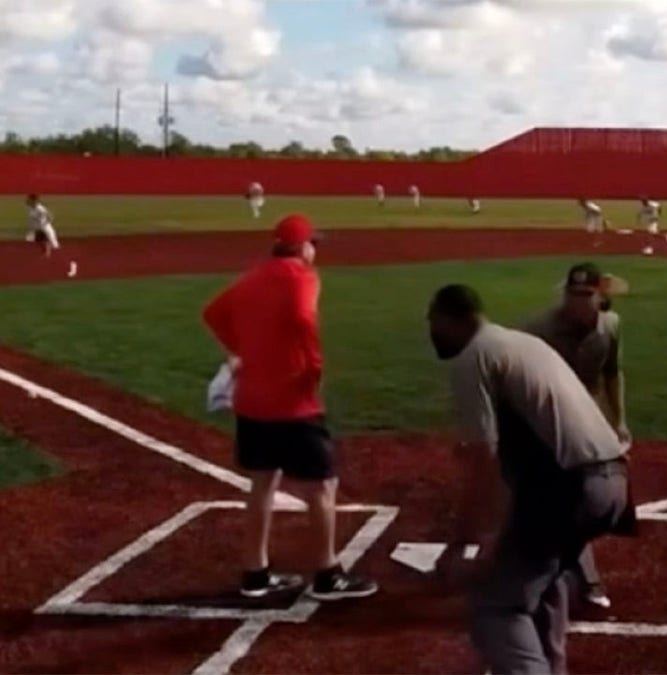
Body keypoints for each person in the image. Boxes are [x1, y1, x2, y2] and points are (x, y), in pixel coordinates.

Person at [427, 284, 636, 675]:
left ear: (448, 320)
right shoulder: (523, 343)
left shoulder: (472, 356)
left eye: (433, 325)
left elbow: (483, 462)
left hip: (570, 487)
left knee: (497, 607)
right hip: (614, 482)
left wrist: (463, 542)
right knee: (546, 583)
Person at [202, 213, 378, 601]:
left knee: (263, 481)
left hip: (251, 400)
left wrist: (241, 351)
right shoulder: (301, 276)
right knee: (321, 486)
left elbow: (213, 313)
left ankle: (255, 573)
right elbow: (301, 316)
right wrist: (314, 365)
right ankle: (328, 575)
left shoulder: (254, 275)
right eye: (313, 243)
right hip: (292, 401)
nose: (315, 249)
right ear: (301, 247)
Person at [521, 263, 631, 611]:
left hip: (589, 419)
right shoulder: (540, 331)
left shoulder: (610, 326)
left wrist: (621, 421)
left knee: (582, 498)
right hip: (546, 418)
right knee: (554, 496)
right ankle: (582, 578)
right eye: (573, 294)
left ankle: (568, 570)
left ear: (600, 295)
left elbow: (612, 373)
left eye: (586, 295)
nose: (578, 302)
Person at [24, 194, 60, 258]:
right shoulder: (30, 207)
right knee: (38, 240)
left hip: (45, 227)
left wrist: (46, 222)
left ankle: (62, 259)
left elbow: (50, 215)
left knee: (55, 245)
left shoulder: (40, 208)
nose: (27, 200)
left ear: (34, 200)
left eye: (29, 199)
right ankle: (46, 250)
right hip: (38, 228)